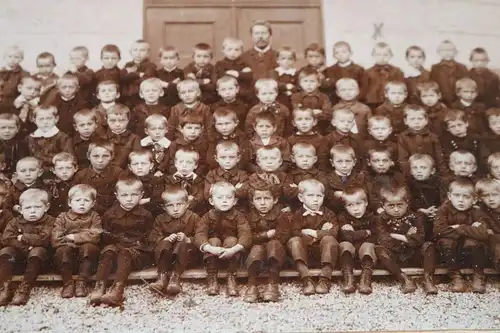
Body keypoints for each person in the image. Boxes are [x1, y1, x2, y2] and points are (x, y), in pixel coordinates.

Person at [89, 177, 153, 306]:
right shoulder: (110, 215)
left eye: (134, 195)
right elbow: (106, 237)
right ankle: (99, 286)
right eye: (124, 195)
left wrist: (136, 245)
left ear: (141, 195)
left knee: (125, 253)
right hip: (116, 249)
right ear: (117, 196)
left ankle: (118, 289)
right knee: (108, 251)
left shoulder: (146, 215)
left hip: (137, 253)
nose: (129, 199)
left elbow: (149, 238)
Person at [374, 184, 437, 294]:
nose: (396, 209)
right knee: (379, 249)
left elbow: (420, 238)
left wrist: (399, 236)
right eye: (391, 206)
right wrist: (408, 237)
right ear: (383, 206)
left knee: (429, 246)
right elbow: (383, 239)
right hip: (395, 257)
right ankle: (403, 278)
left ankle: (428, 279)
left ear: (407, 204)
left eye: (400, 205)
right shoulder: (381, 219)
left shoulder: (416, 217)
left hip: (413, 254)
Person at [194, 181, 252, 296]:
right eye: (220, 197)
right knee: (213, 240)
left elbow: (246, 234)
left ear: (235, 201)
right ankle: (212, 278)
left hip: (231, 253)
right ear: (211, 201)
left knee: (231, 240)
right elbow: (199, 234)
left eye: (229, 197)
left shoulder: (239, 216)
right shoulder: (207, 216)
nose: (224, 201)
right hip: (213, 253)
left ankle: (231, 277)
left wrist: (234, 249)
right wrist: (209, 248)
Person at [434, 178, 489, 293]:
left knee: (475, 243)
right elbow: (438, 230)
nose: (461, 200)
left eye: (466, 197)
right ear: (449, 196)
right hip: (450, 253)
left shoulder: (477, 212)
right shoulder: (443, 210)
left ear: (474, 200)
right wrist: (470, 229)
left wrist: (459, 227)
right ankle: (455, 276)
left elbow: (483, 233)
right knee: (446, 241)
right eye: (457, 195)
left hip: (469, 254)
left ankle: (478, 275)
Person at [0, 189, 54, 305]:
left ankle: (25, 287)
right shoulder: (15, 221)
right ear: (20, 209)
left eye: (37, 207)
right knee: (6, 251)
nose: (32, 211)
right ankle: (4, 287)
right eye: (28, 208)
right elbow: (6, 238)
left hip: (40, 263)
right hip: (19, 261)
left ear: (46, 207)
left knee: (37, 251)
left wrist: (23, 237)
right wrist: (26, 247)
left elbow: (44, 239)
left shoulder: (50, 221)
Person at [287, 179, 339, 295]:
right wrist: (322, 233)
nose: (315, 200)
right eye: (310, 196)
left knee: (329, 239)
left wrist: (314, 233)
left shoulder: (328, 213)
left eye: (319, 196)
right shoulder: (297, 214)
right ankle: (306, 279)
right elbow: (295, 232)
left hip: (323, 254)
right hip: (303, 254)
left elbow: (334, 232)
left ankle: (325, 279)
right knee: (294, 241)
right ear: (301, 198)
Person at [51, 184, 102, 298]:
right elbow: (56, 238)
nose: (82, 203)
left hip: (87, 260)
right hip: (68, 259)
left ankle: (82, 282)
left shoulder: (94, 216)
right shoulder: (62, 217)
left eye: (86, 200)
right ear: (69, 203)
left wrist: (74, 237)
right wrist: (79, 240)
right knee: (62, 250)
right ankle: (68, 283)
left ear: (93, 203)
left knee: (89, 247)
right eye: (78, 200)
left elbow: (96, 235)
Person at [148, 187, 200, 296]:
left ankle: (175, 278)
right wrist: (164, 239)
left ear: (187, 204)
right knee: (165, 243)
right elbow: (153, 237)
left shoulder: (194, 218)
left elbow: (201, 237)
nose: (175, 209)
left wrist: (188, 239)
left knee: (182, 243)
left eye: (179, 204)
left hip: (187, 258)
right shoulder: (160, 219)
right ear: (164, 207)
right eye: (170, 206)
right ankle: (161, 276)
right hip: (166, 258)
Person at [244, 184, 290, 303]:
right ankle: (252, 284)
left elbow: (283, 236)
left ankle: (272, 283)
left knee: (274, 244)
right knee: (257, 249)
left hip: (275, 253)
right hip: (255, 252)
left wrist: (270, 241)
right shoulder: (248, 217)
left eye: (267, 199)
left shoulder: (281, 215)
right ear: (252, 201)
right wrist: (265, 235)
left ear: (275, 200)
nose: (263, 203)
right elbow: (247, 237)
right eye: (258, 199)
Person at [337, 187, 377, 294]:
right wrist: (365, 232)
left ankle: (365, 279)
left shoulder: (372, 218)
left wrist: (354, 234)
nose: (355, 209)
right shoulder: (343, 218)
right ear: (345, 207)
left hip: (366, 256)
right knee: (345, 245)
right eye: (350, 205)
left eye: (358, 204)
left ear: (366, 203)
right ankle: (348, 278)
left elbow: (375, 236)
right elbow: (346, 236)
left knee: (368, 246)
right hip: (350, 256)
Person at [363, 42, 404, 108]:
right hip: (371, 104)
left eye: (385, 55)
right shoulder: (367, 72)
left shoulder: (397, 71)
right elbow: (364, 90)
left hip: (391, 103)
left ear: (391, 56)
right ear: (373, 55)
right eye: (378, 55)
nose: (382, 57)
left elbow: (402, 88)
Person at [214, 37, 253, 104]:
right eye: (229, 50)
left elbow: (250, 76)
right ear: (223, 50)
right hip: (225, 94)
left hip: (242, 95)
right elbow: (217, 78)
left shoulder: (244, 64)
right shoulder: (220, 64)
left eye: (236, 50)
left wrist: (238, 74)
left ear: (241, 51)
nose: (233, 52)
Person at [430, 40, 468, 106]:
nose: (447, 53)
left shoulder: (461, 67)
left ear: (455, 52)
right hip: (441, 102)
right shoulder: (435, 68)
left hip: (459, 102)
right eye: (443, 50)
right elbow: (433, 86)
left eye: (450, 50)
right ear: (439, 52)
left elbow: (466, 85)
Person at [121, 39, 157, 107]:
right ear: (130, 52)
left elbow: (145, 80)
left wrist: (130, 78)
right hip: (126, 98)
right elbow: (122, 78)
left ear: (148, 53)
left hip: (140, 99)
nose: (138, 53)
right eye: (135, 50)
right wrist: (137, 74)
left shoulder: (150, 66)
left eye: (142, 50)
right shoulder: (128, 65)